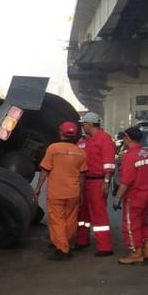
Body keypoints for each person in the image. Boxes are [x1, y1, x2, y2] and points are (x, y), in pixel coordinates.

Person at [35, 120, 87, 259]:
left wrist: (38, 188)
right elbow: (82, 176)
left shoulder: (53, 149)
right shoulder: (81, 152)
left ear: (61, 133)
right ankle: (63, 242)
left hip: (56, 192)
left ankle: (63, 249)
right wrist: (81, 193)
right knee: (70, 219)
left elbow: (45, 170)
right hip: (73, 192)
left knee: (56, 220)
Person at [113, 125, 148, 265]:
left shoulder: (129, 156)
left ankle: (135, 253)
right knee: (143, 223)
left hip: (134, 196)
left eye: (124, 137)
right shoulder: (147, 153)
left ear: (128, 138)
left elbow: (126, 181)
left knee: (131, 225)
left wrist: (117, 197)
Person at [75, 111, 117, 256]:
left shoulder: (104, 139)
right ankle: (82, 240)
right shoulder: (86, 140)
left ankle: (105, 247)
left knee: (99, 215)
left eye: (83, 124)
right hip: (85, 181)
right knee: (82, 213)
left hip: (97, 181)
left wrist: (106, 181)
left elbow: (109, 163)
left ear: (89, 124)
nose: (82, 127)